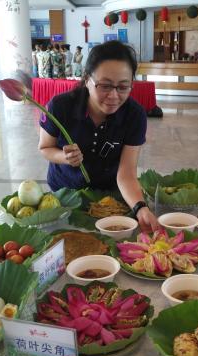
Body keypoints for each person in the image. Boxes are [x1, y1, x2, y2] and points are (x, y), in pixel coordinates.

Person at [38, 41, 159, 232]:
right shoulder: (60, 106)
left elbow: (126, 173)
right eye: (105, 86)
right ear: (87, 79)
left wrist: (140, 208)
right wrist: (64, 157)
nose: (113, 96)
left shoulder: (134, 115)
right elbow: (45, 148)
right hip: (65, 194)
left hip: (108, 195)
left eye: (123, 87)